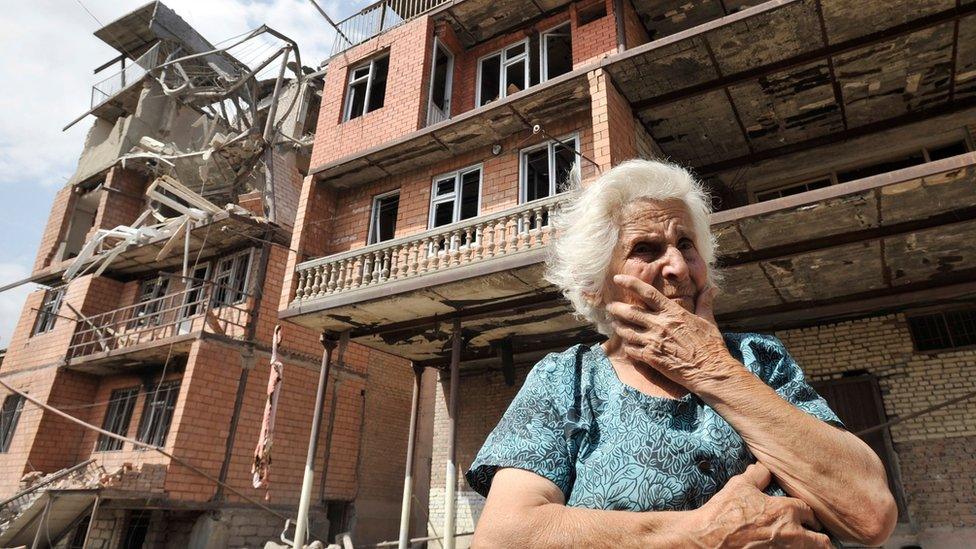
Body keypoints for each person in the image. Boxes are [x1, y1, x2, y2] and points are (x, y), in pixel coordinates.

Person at [465, 159, 897, 548]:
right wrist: (694, 536)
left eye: (685, 244)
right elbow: (504, 537)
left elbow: (871, 515)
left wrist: (712, 369)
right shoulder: (567, 378)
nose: (676, 266)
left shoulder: (757, 359)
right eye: (645, 249)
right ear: (595, 284)